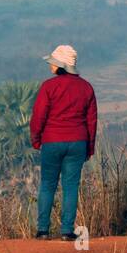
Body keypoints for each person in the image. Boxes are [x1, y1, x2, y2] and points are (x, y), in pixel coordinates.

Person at [29, 44, 97, 241]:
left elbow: (38, 116)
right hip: (78, 142)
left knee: (48, 184)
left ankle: (43, 230)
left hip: (51, 141)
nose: (50, 65)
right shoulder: (86, 87)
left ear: (61, 65)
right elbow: (91, 120)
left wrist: (36, 139)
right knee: (70, 186)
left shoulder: (49, 87)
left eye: (53, 62)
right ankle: (67, 231)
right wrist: (89, 147)